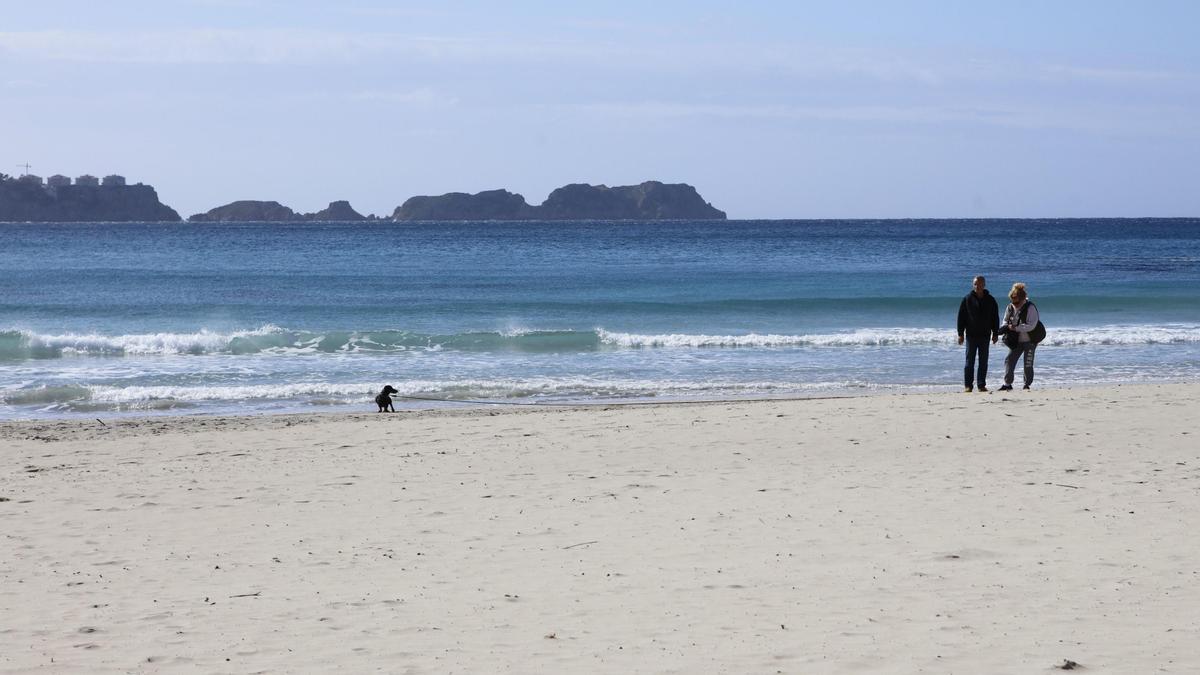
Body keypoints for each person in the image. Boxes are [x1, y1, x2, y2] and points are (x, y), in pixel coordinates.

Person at [956, 275, 1000, 392]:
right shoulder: (967, 299)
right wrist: (960, 334)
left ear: (984, 285)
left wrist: (995, 333)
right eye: (975, 284)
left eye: (980, 284)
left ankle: (981, 385)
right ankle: (968, 385)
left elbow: (995, 318)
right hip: (971, 335)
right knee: (969, 362)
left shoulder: (990, 300)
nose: (977, 286)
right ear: (973, 285)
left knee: (983, 362)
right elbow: (961, 317)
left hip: (985, 336)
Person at [999, 282, 1039, 391]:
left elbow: (1031, 326)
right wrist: (1005, 327)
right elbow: (1005, 321)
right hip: (1016, 341)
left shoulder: (1030, 307)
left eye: (1016, 302)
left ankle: (1027, 384)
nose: (1014, 304)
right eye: (1012, 301)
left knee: (1028, 363)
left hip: (1030, 340)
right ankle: (1007, 384)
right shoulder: (1010, 307)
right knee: (1009, 360)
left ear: (1022, 298)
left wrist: (1016, 328)